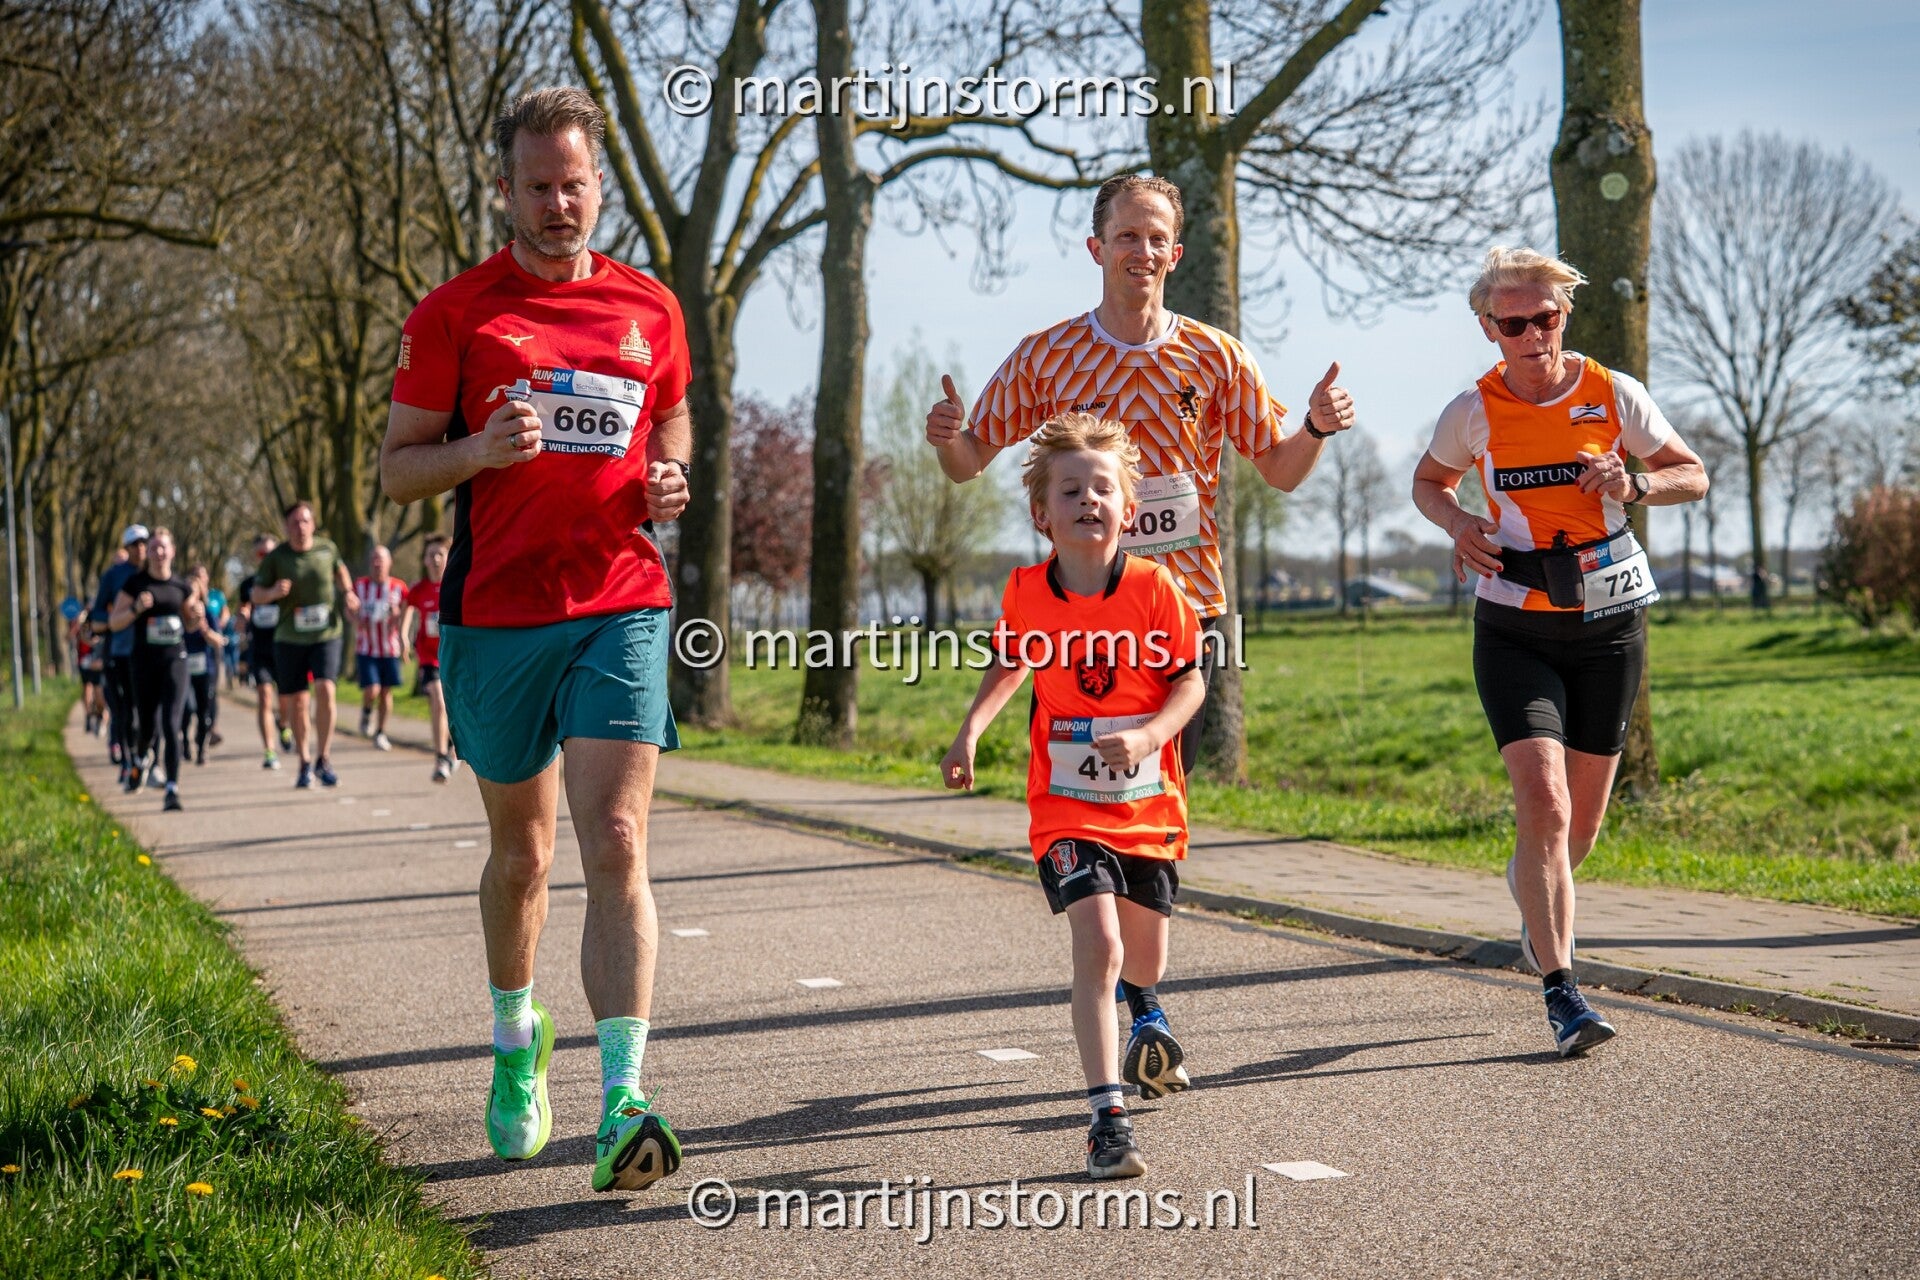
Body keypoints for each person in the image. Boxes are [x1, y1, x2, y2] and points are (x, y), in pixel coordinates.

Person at [925, 172, 1356, 1084]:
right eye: (1127, 235)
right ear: (1098, 248)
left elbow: (1280, 469)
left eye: (1157, 238)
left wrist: (1316, 426)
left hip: (1177, 621)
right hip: (1077, 622)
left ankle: (1140, 998)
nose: (1143, 251)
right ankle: (1134, 1004)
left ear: (1177, 252)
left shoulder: (1216, 356)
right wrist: (948, 435)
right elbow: (970, 462)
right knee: (1091, 807)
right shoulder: (1046, 357)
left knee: (1146, 819)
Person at [379, 87, 694, 1194]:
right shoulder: (454, 314)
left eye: (575, 184)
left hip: (620, 598)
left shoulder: (650, 307)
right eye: (539, 186)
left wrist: (670, 472)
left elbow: (670, 412)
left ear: (599, 185)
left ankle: (623, 1099)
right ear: (506, 191)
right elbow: (398, 468)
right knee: (525, 858)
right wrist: (477, 451)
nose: (560, 203)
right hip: (497, 615)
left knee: (617, 834)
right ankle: (518, 1038)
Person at [1411, 246, 1708, 1058]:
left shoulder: (1614, 394)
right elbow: (1429, 482)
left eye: (1544, 318)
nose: (1532, 336)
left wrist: (1634, 484)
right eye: (1513, 324)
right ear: (1489, 329)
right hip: (1515, 624)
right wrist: (1459, 523)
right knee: (1542, 803)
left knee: (1579, 828)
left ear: (1563, 316)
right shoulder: (1473, 410)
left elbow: (1693, 474)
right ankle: (1562, 991)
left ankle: (1535, 898)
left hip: (1609, 624)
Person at [941, 413, 1204, 1180]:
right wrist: (970, 731)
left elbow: (1191, 683)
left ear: (1129, 508)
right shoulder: (1027, 591)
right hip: (1063, 804)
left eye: (1102, 488)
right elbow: (1009, 662)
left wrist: (1150, 736)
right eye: (1070, 489)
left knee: (1144, 956)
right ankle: (1107, 1121)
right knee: (1101, 945)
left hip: (1147, 803)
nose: (1088, 499)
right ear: (1042, 514)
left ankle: (1145, 1010)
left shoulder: (1155, 589)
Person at [252, 502, 359, 788]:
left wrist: (348, 593)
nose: (300, 527)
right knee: (298, 702)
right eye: (294, 523)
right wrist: (272, 592)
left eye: (305, 521)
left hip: (326, 633)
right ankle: (304, 761)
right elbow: (256, 594)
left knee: (326, 689)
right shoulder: (276, 557)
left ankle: (323, 758)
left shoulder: (327, 549)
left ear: (313, 524)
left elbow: (340, 571)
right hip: (290, 637)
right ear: (286, 527)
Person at [111, 527, 191, 812]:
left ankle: (172, 789)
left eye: (163, 547)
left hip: (175, 661)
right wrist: (135, 609)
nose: (158, 552)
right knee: (146, 726)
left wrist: (196, 615)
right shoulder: (135, 584)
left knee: (171, 724)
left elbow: (192, 622)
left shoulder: (181, 586)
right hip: (144, 663)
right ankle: (141, 758)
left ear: (172, 551)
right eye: (154, 547)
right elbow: (115, 621)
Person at [90, 530, 147, 782]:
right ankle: (127, 761)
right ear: (127, 546)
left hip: (150, 653)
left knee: (147, 711)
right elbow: (98, 616)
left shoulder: (155, 573)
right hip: (119, 653)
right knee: (123, 711)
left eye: (144, 543)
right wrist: (118, 617)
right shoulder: (113, 576)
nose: (140, 548)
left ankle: (146, 759)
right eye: (134, 544)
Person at [404, 533, 458, 782]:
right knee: (438, 700)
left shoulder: (457, 584)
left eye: (440, 554)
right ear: (424, 560)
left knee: (456, 707)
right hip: (429, 657)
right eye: (431, 555)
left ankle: (453, 749)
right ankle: (440, 757)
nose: (435, 559)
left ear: (448, 557)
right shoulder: (419, 589)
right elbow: (407, 609)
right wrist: (403, 636)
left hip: (455, 657)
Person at [238, 534, 291, 769]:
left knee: (286, 698)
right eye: (261, 554)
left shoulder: (286, 582)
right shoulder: (248, 584)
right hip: (259, 649)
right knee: (264, 697)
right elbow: (243, 609)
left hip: (284, 647)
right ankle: (269, 751)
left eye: (270, 553)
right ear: (255, 557)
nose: (266, 558)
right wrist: (242, 617)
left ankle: (284, 724)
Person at [352, 544, 409, 752]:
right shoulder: (359, 586)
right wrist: (357, 620)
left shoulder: (399, 587)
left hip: (389, 649)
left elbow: (407, 610)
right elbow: (349, 609)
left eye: (381, 560)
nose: (377, 564)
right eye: (374, 560)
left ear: (389, 563)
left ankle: (381, 732)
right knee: (372, 688)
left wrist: (399, 621)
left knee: (386, 692)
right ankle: (366, 712)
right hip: (367, 648)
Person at [181, 565, 226, 765]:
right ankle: (184, 742)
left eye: (195, 593)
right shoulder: (179, 615)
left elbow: (219, 640)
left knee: (203, 711)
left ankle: (201, 749)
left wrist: (205, 629)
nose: (191, 598)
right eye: (188, 594)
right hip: (183, 669)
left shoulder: (207, 613)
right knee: (187, 708)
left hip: (205, 668)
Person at [74, 614, 107, 735]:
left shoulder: (102, 619)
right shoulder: (83, 624)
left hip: (100, 664)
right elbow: (76, 637)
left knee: (100, 696)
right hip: (86, 664)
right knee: (87, 691)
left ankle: (101, 718)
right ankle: (89, 717)